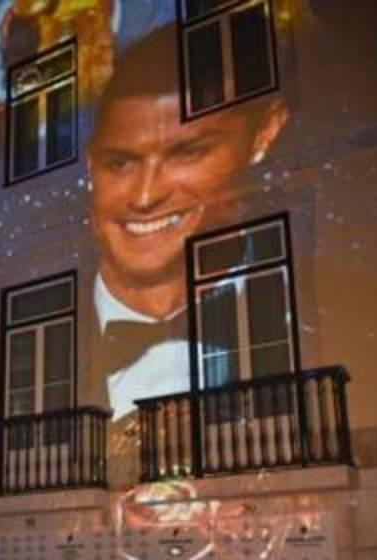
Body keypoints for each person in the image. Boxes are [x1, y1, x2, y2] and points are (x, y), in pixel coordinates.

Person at [84, 24, 288, 420]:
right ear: (90, 165)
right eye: (119, 163)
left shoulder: (354, 301)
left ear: (265, 132)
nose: (145, 197)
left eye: (187, 153)